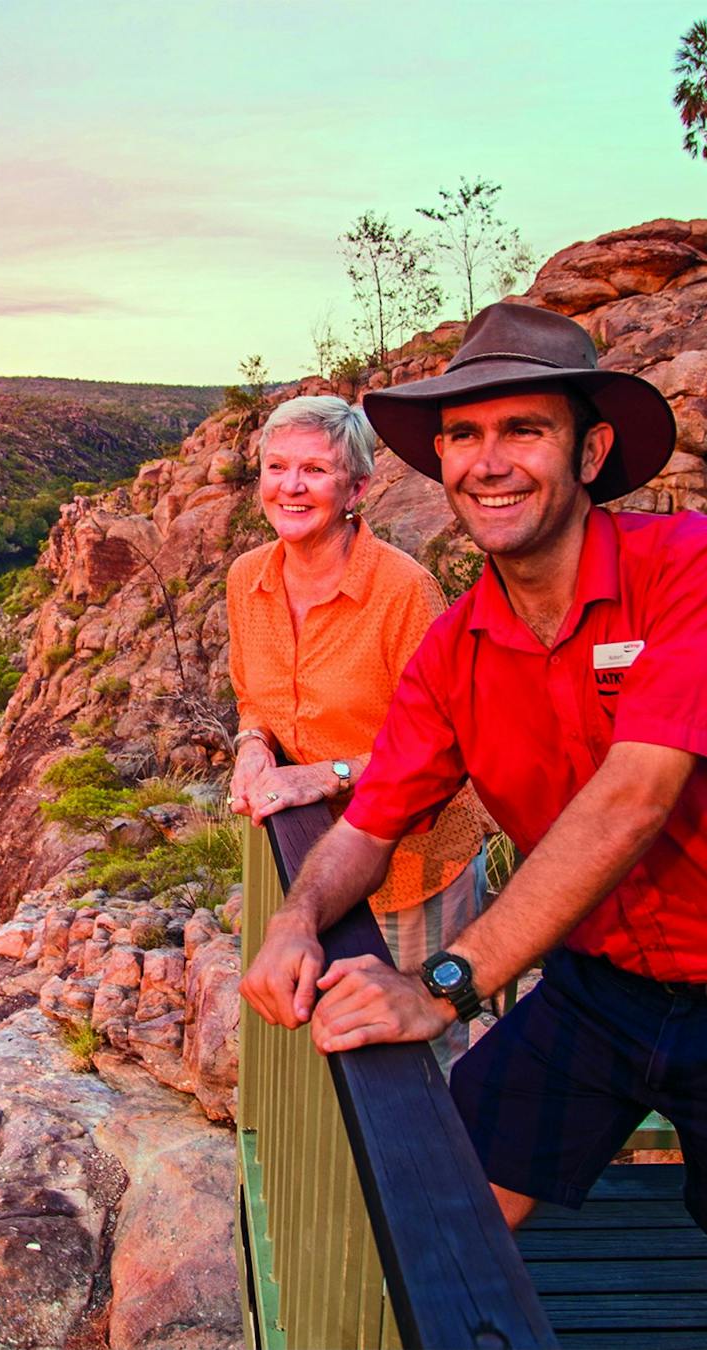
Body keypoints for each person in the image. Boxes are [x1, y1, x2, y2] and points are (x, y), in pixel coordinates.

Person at [238, 303, 707, 1350]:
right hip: (599, 990)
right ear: (440, 460)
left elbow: (635, 796)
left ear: (590, 449)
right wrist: (298, 916)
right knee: (449, 1201)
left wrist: (441, 985)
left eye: (522, 430)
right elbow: (374, 816)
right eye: (463, 436)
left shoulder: (697, 568)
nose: (490, 463)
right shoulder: (458, 650)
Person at [226, 394, 487, 1069]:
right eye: (276, 466)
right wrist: (253, 748)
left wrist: (326, 774)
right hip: (318, 864)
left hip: (414, 864)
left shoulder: (403, 592)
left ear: (357, 488)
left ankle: (441, 1174)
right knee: (337, 1031)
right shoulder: (246, 578)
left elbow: (450, 745)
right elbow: (253, 694)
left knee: (424, 1053)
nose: (291, 485)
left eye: (314, 469)